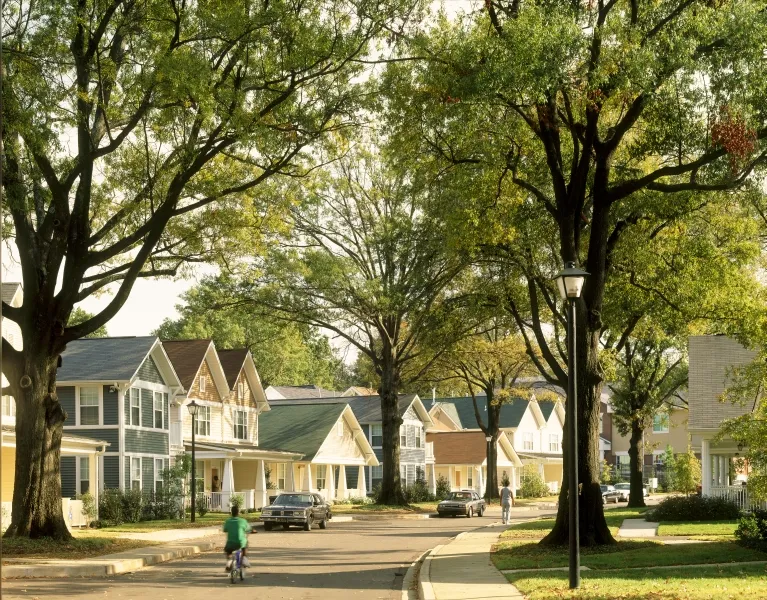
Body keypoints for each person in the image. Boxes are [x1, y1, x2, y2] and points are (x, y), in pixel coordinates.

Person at [223, 505, 252, 571]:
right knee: (245, 544)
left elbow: (225, 529)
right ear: (238, 512)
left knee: (228, 551)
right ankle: (244, 558)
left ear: (231, 513)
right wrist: (252, 530)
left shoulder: (228, 521)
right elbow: (248, 529)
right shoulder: (243, 521)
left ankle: (229, 562)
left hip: (230, 543)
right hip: (240, 542)